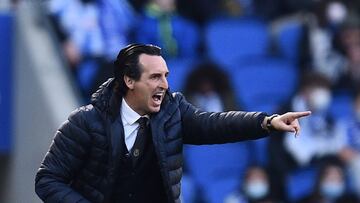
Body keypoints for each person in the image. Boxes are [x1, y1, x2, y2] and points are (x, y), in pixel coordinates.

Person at [35, 43, 311, 203]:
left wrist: (266, 121)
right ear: (129, 81)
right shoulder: (85, 122)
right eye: (155, 77)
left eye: (166, 76)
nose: (165, 85)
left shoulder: (172, 111)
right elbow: (47, 179)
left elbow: (214, 124)